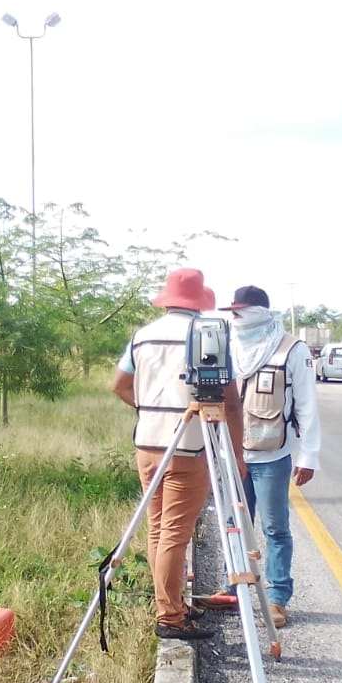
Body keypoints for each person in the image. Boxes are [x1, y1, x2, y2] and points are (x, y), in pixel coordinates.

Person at [111, 268, 245, 641]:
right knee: (175, 534)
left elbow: (119, 385)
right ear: (199, 303)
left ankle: (170, 604)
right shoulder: (207, 335)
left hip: (148, 444)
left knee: (158, 530)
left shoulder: (143, 335)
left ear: (167, 300)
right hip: (190, 445)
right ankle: (170, 616)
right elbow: (230, 403)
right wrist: (236, 454)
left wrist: (151, 409)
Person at [218, 285, 320, 628]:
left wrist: (309, 455)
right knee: (233, 525)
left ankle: (277, 598)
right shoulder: (227, 346)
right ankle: (234, 588)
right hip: (232, 453)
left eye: (241, 312)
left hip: (272, 456)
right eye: (233, 313)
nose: (236, 319)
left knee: (275, 528)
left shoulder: (292, 349)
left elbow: (306, 406)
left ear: (260, 314)